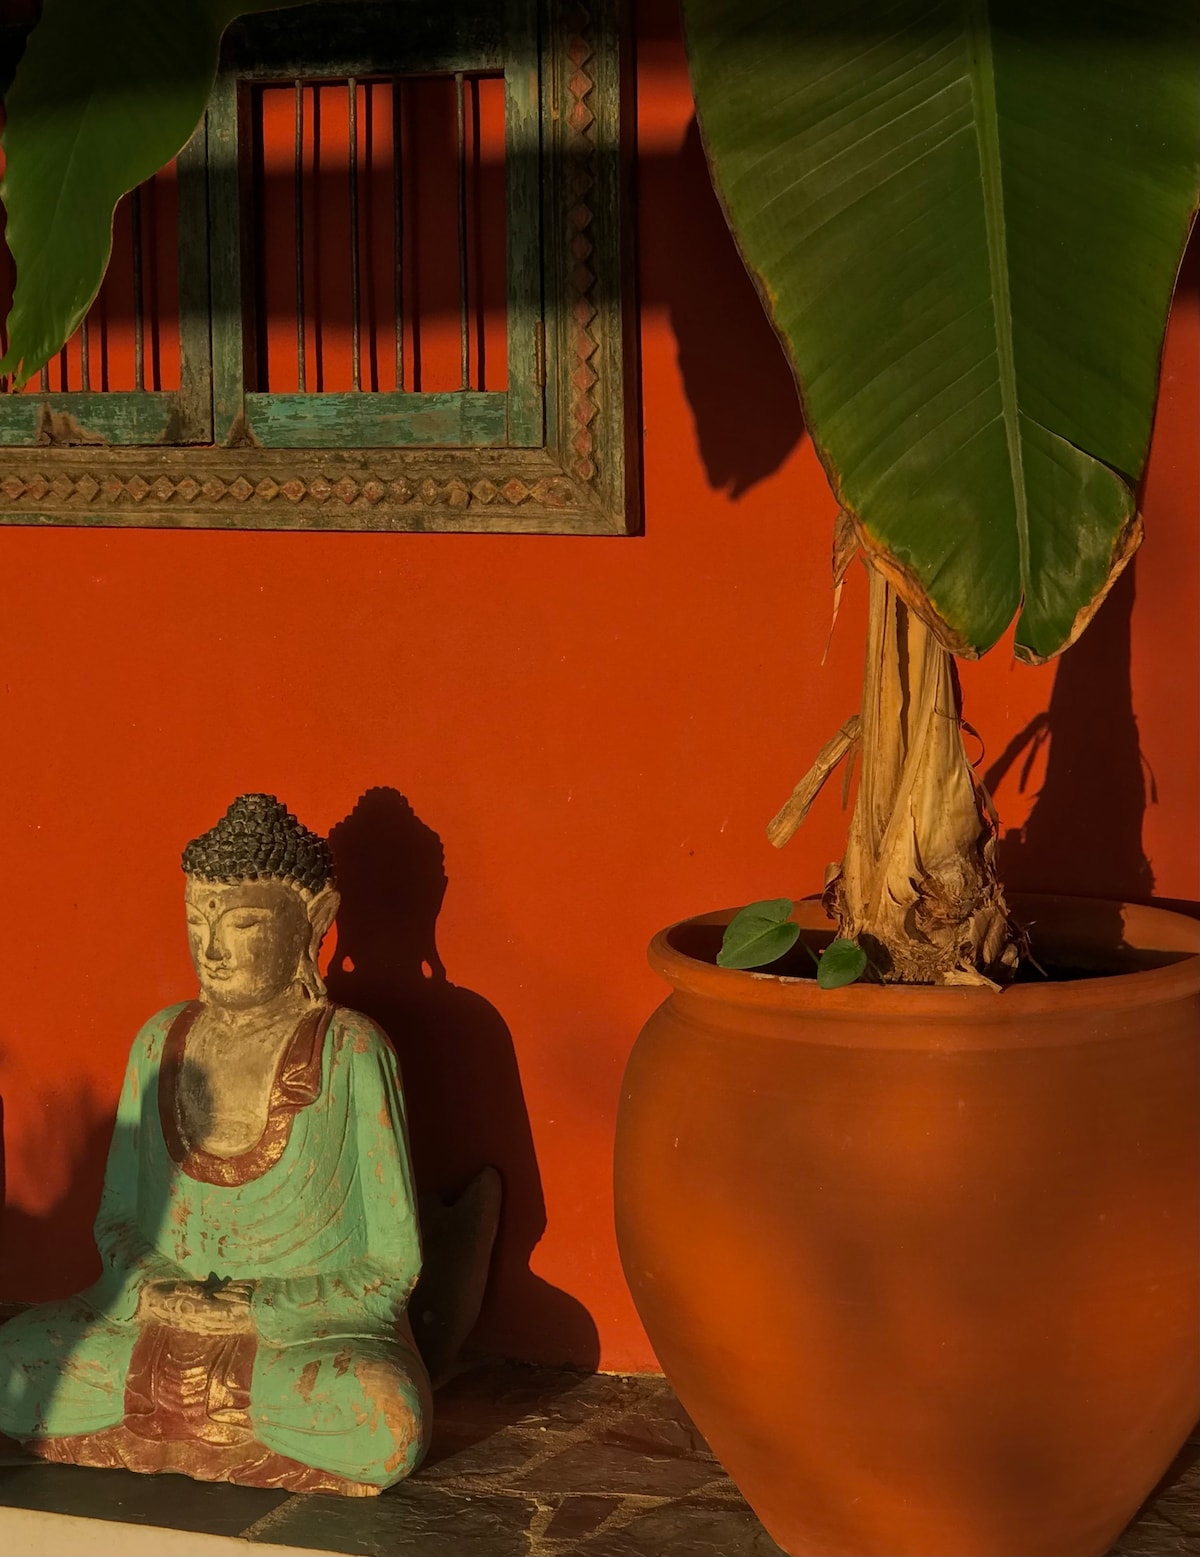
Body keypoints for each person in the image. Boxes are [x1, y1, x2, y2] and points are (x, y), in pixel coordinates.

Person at [0, 794, 430, 1494]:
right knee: (10, 1365)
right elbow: (117, 1221)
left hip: (299, 1340)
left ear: (315, 920)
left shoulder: (351, 1051)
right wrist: (154, 1290)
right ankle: (213, 1428)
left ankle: (161, 1427)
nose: (213, 949)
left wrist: (255, 1309)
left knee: (387, 1416)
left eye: (243, 923)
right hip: (156, 1326)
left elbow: (391, 1266)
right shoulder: (159, 1042)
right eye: (197, 921)